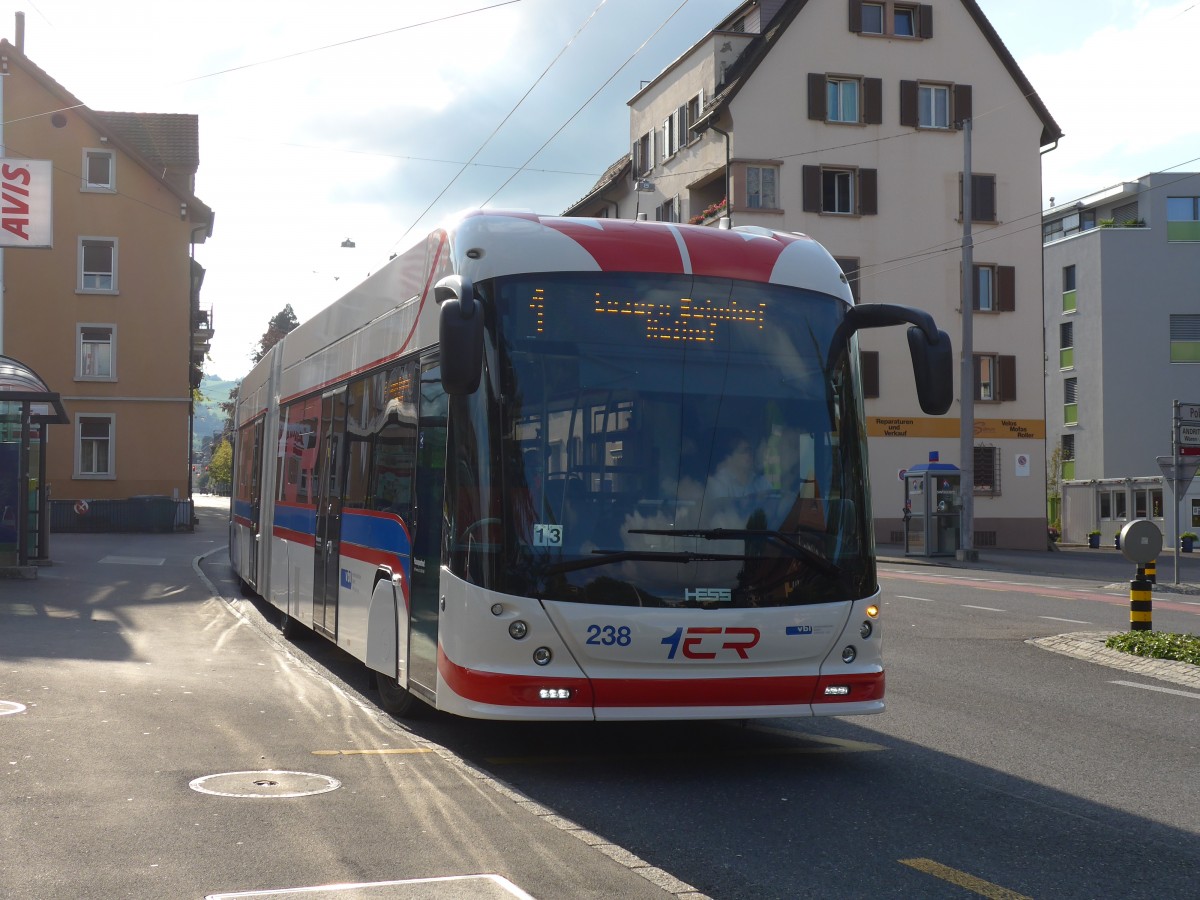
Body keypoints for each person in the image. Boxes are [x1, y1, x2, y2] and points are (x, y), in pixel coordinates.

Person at [708, 432, 773, 500]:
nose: (749, 454)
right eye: (743, 451)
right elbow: (725, 509)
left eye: (749, 450)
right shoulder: (719, 484)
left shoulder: (762, 481)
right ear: (729, 458)